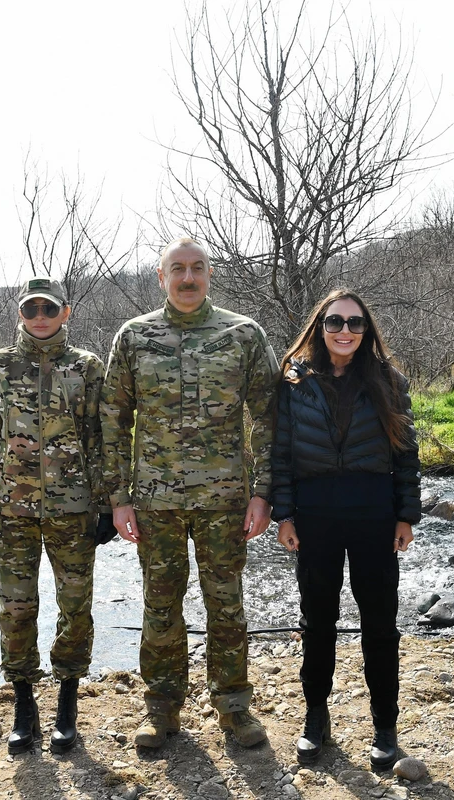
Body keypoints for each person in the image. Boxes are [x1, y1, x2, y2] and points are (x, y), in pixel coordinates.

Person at [101, 237, 278, 749]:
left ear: (210, 274)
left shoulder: (242, 333)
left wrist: (263, 492)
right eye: (176, 269)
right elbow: (114, 421)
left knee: (226, 605)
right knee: (161, 605)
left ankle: (235, 708)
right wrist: (119, 498)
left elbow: (267, 417)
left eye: (196, 268)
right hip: (155, 501)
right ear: (161, 277)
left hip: (225, 500)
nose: (187, 278)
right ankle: (161, 709)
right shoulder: (135, 337)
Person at [269, 288, 421, 770]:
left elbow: (406, 455)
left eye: (355, 324)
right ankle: (316, 718)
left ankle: (384, 726)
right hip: (315, 515)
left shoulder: (388, 381)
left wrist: (405, 515)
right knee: (317, 623)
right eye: (335, 322)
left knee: (380, 625)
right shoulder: (294, 381)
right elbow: (281, 454)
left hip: (373, 513)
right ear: (320, 326)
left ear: (367, 331)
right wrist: (285, 515)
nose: (344, 332)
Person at [0, 277, 117, 755]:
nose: (40, 318)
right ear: (21, 315)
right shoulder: (0, 366)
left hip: (74, 509)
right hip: (11, 509)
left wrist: (109, 504)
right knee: (16, 607)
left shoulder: (87, 366)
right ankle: (24, 703)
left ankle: (68, 700)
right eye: (31, 310)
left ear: (65, 313)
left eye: (48, 309)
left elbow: (102, 437)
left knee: (75, 608)